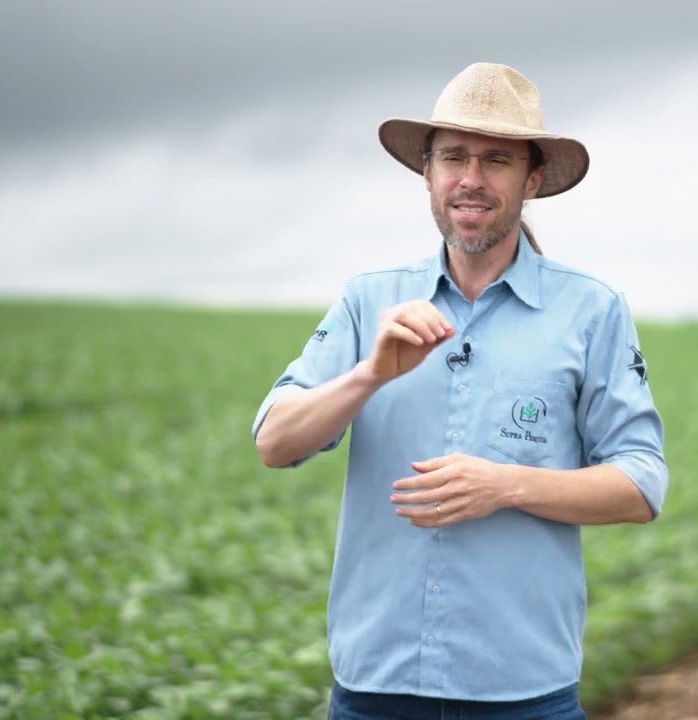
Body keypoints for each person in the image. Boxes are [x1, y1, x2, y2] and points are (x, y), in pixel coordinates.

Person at [251, 61, 668, 720]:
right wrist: (369, 374)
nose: (471, 178)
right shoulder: (369, 300)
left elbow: (641, 484)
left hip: (524, 693)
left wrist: (507, 485)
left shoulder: (592, 310)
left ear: (532, 180)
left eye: (496, 160)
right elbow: (274, 442)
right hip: (375, 690)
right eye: (453, 157)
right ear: (427, 173)